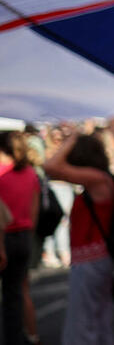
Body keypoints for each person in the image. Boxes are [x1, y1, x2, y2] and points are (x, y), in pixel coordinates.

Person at [42, 132, 114, 345]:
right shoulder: (100, 179)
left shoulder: (96, 178)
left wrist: (72, 139)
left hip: (90, 259)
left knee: (82, 321)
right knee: (97, 318)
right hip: (95, 257)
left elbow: (50, 167)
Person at [0, 131, 40, 345]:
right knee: (16, 293)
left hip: (4, 237)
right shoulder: (31, 173)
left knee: (14, 293)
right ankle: (19, 338)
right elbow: (34, 211)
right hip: (23, 237)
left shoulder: (2, 173)